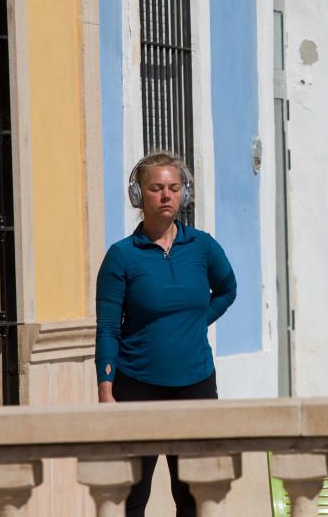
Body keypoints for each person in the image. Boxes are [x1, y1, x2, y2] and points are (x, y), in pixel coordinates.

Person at [95, 150, 237, 517]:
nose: (166, 195)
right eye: (156, 188)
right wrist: (106, 388)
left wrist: (198, 321)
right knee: (133, 496)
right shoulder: (122, 256)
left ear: (184, 194)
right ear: (139, 196)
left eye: (174, 188)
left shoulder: (203, 246)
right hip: (137, 385)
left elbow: (227, 289)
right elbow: (109, 326)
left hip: (195, 384)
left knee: (192, 494)